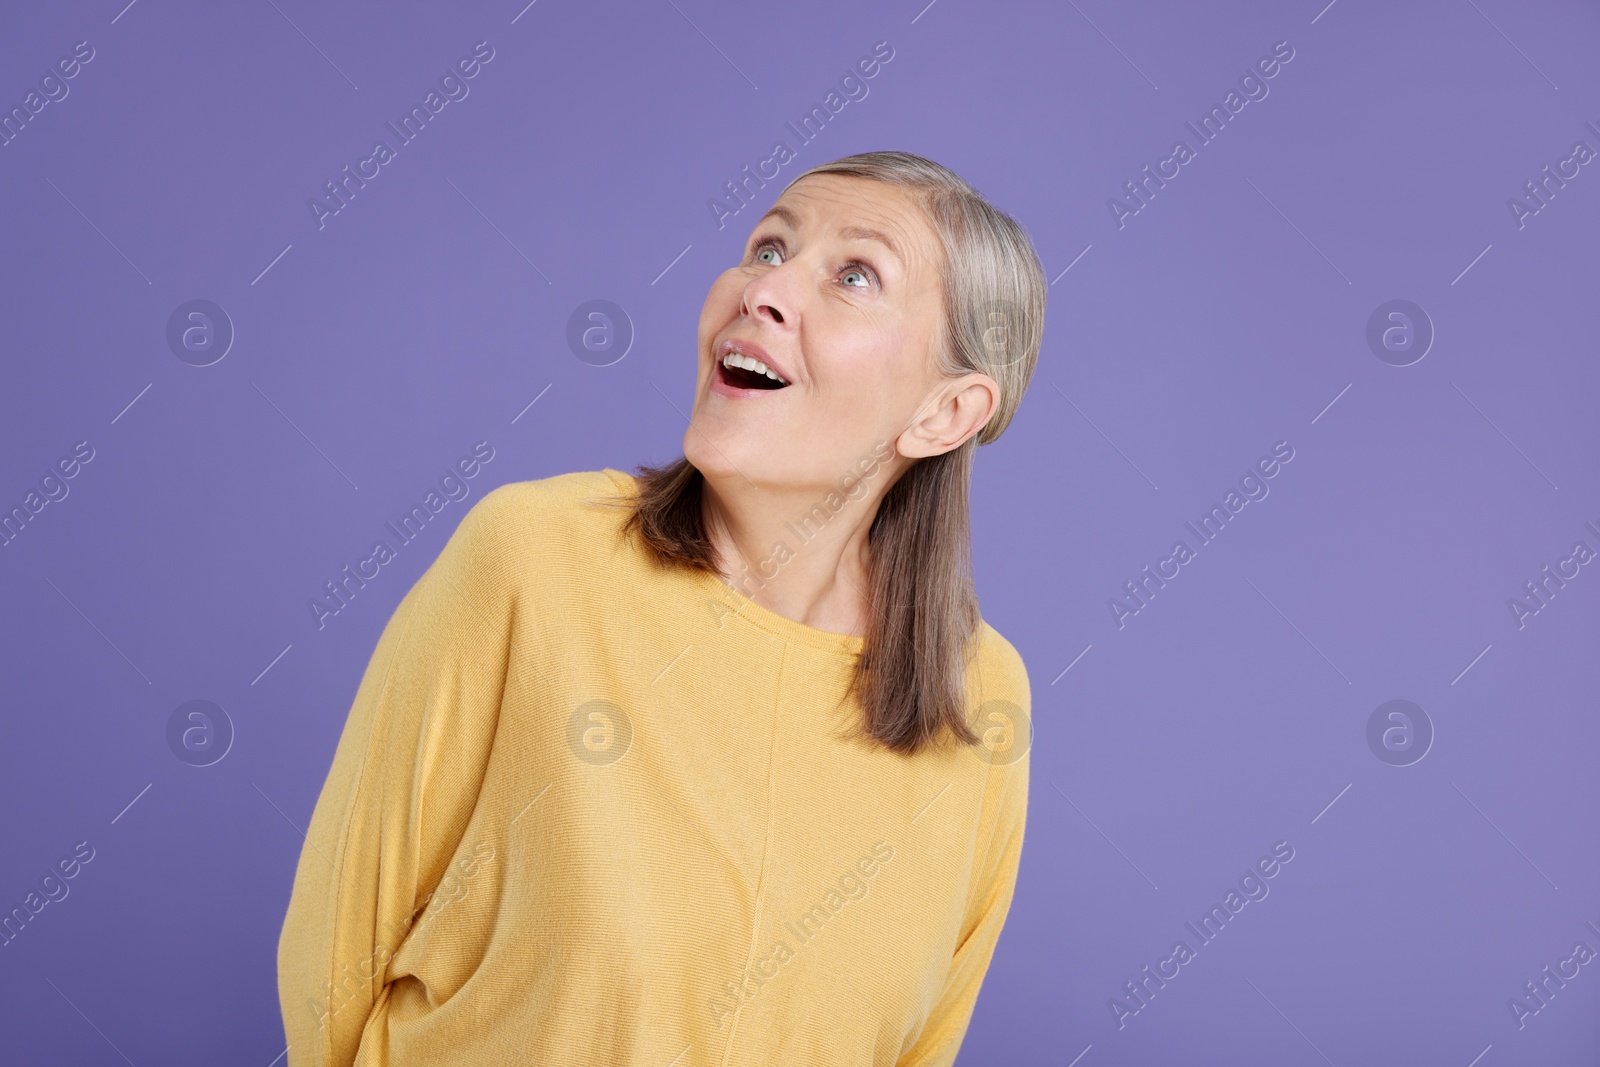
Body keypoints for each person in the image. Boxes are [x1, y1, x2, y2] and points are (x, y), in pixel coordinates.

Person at [277, 149, 1047, 1066]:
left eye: (854, 274)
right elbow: (335, 961)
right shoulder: (532, 556)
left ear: (944, 414)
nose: (762, 290)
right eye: (768, 247)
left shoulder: (980, 695)